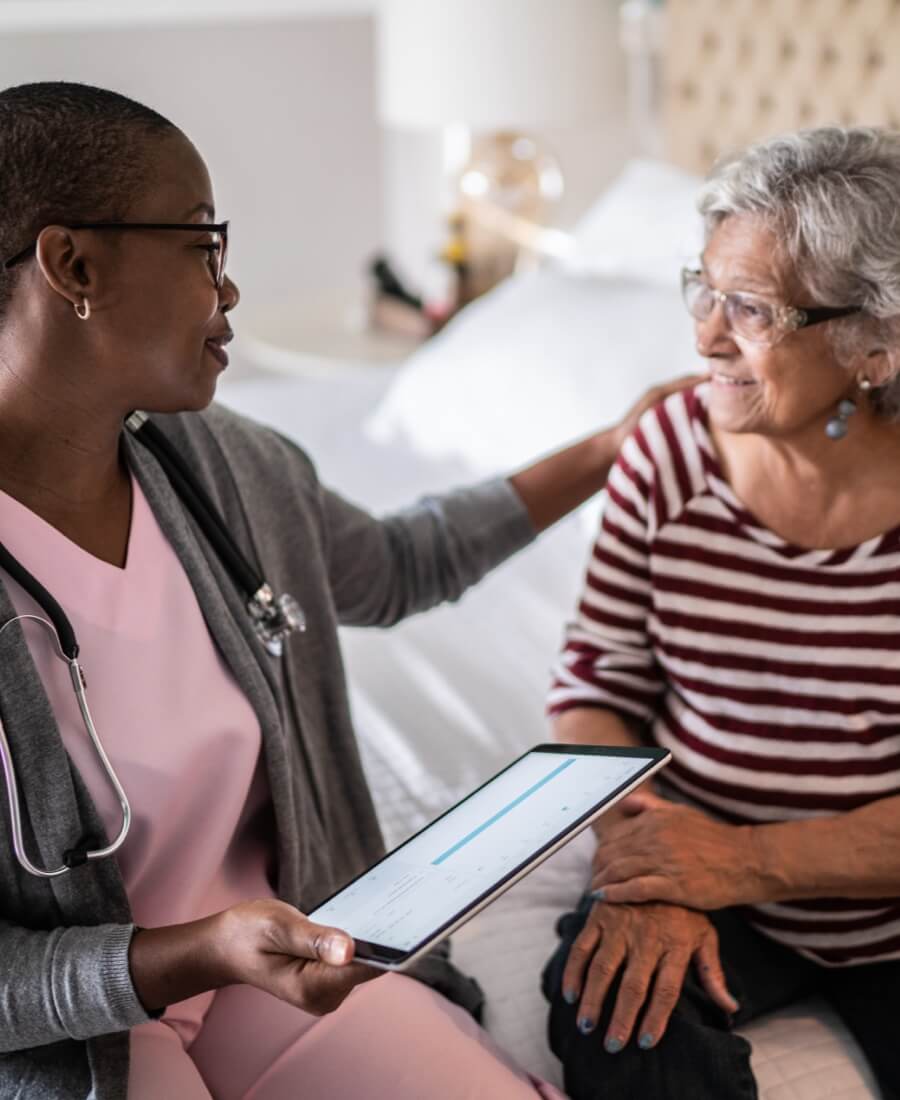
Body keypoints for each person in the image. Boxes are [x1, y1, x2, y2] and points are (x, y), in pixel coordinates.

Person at [0, 81, 686, 1100]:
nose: (229, 289)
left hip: (272, 970)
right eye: (202, 244)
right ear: (74, 265)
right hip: (78, 1032)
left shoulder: (230, 468)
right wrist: (190, 951)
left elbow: (401, 564)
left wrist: (606, 450)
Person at [543, 125, 900, 1100]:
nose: (705, 335)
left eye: (749, 308)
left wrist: (736, 861)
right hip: (701, 863)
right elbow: (598, 678)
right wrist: (648, 858)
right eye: (702, 289)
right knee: (610, 1013)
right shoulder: (668, 450)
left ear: (874, 339)